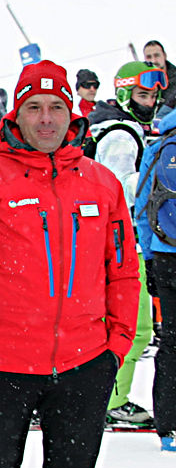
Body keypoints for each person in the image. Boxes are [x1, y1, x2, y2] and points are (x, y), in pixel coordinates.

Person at [0, 60, 140, 468]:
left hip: (84, 363)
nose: (45, 119)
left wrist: (117, 345)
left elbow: (122, 272)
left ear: (71, 114)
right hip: (0, 364)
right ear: (16, 115)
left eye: (55, 107)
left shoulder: (102, 185)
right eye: (34, 107)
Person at [84, 61, 165, 428]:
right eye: (142, 94)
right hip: (124, 240)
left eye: (152, 96)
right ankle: (111, 400)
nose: (149, 102)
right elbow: (118, 186)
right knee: (134, 326)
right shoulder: (120, 133)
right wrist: (157, 185)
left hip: (117, 239)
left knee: (124, 324)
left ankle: (106, 395)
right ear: (124, 93)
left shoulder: (117, 126)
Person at [134, 108, 176, 451]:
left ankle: (168, 425)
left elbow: (142, 204)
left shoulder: (160, 144)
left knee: (171, 343)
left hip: (166, 255)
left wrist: (148, 257)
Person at [144, 40, 176, 113]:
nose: (153, 60)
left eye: (157, 55)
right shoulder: (140, 83)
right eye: (149, 57)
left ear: (165, 55)